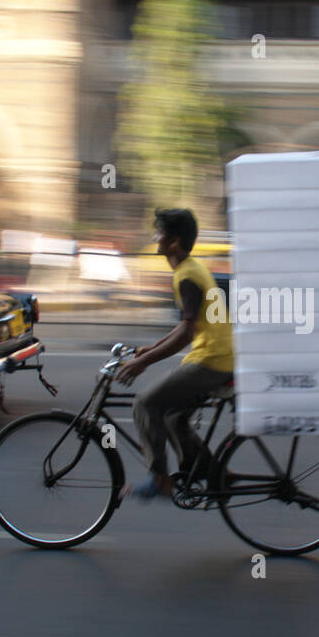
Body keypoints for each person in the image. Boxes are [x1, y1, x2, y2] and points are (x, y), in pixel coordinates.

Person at [116, 208, 234, 500]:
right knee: (172, 416)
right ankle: (215, 474)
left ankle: (160, 480)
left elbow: (185, 332)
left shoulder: (186, 276)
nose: (155, 237)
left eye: (160, 233)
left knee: (145, 404)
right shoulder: (191, 268)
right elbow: (187, 325)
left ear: (174, 242)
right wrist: (152, 349)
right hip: (218, 356)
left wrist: (142, 362)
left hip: (211, 361)